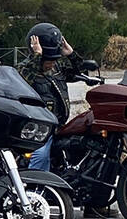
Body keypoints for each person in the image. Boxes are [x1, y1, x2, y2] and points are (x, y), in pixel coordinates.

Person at [16, 23, 83, 174]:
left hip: (60, 126)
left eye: (54, 60)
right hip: (39, 128)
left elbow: (78, 71)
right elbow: (24, 79)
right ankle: (35, 185)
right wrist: (37, 56)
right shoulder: (25, 69)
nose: (51, 64)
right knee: (40, 155)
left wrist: (71, 55)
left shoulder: (57, 68)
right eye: (48, 60)